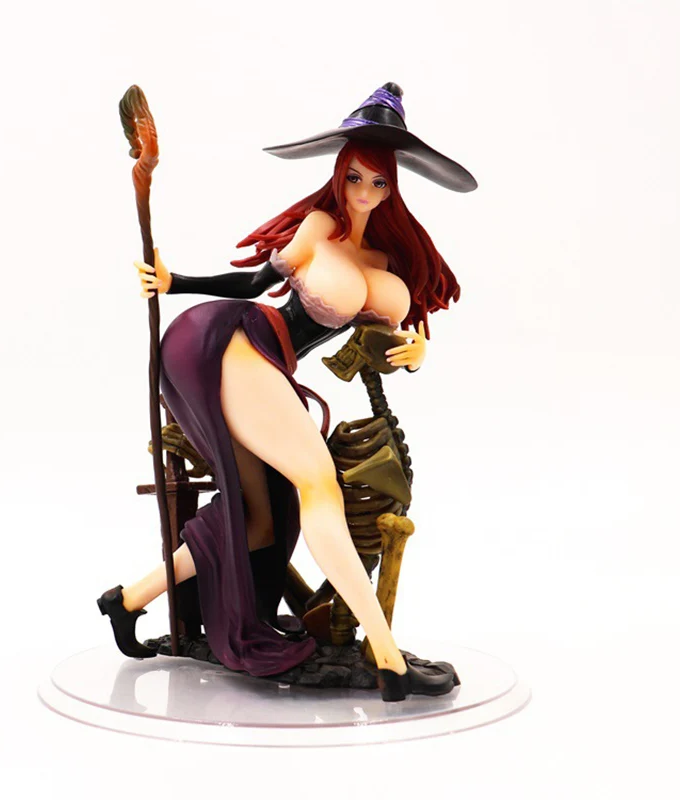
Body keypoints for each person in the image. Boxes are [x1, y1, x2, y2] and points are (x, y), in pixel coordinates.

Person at [98, 83, 477, 702]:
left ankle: (127, 600)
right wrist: (175, 281)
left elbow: (387, 339)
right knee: (319, 484)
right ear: (339, 174)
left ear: (392, 188)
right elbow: (254, 284)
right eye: (354, 178)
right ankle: (387, 658)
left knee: (259, 520)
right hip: (234, 341)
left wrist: (418, 351)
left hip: (272, 369)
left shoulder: (384, 261)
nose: (364, 192)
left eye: (377, 182)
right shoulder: (319, 228)